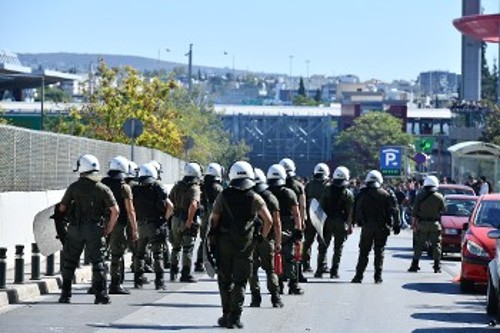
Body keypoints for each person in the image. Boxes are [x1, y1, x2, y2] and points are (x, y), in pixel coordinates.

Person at [210, 161, 273, 328]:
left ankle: (225, 314)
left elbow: (214, 219)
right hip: (246, 245)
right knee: (240, 281)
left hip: (224, 243)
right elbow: (269, 220)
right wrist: (260, 238)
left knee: (225, 280)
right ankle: (235, 317)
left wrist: (212, 239)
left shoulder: (223, 196)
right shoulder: (255, 197)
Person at [57, 154, 119, 304]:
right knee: (98, 263)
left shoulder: (74, 187)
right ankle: (101, 295)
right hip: (95, 230)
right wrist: (109, 228)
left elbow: (62, 208)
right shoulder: (103, 188)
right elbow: (115, 210)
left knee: (69, 261)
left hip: (75, 230)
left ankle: (66, 294)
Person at [351, 170, 400, 284]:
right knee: (379, 252)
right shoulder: (387, 194)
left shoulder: (362, 194)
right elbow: (395, 210)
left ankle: (358, 276)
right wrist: (397, 224)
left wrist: (353, 222)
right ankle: (378, 277)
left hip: (367, 227)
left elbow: (355, 209)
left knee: (364, 252)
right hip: (382, 227)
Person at [101, 156, 139, 294]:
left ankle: (97, 284)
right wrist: (134, 229)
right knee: (117, 254)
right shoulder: (124, 187)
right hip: (118, 223)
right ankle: (115, 284)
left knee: (100, 254)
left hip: (102, 223)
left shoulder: (102, 184)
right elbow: (130, 210)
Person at [132, 163, 173, 290]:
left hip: (140, 224)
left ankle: (138, 281)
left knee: (139, 254)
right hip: (155, 224)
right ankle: (159, 282)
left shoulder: (135, 189)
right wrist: (164, 219)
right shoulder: (158, 188)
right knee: (158, 254)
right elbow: (170, 207)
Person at [248, 168, 283, 308]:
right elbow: (276, 222)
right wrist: (278, 241)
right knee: (271, 270)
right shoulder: (271, 197)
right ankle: (276, 298)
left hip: (251, 238)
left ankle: (255, 299)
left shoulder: (248, 196)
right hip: (267, 239)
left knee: (252, 270)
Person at [267, 164, 304, 295]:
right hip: (288, 227)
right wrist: (299, 230)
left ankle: (280, 284)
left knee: (276, 256)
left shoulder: (267, 193)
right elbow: (297, 213)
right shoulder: (290, 193)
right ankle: (293, 284)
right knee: (290, 257)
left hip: (271, 227)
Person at [316, 166, 354, 279]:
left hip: (327, 221)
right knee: (338, 249)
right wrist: (350, 225)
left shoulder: (326, 190)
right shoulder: (348, 193)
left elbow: (320, 208)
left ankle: (319, 270)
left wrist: (320, 224)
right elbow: (350, 211)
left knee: (323, 247)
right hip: (340, 222)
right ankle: (334, 271)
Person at [168, 162, 202, 282]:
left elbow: (169, 202)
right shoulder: (194, 188)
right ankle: (185, 274)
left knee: (175, 247)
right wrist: (189, 220)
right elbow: (194, 204)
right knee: (188, 247)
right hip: (185, 219)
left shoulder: (177, 186)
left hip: (175, 219)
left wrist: (170, 217)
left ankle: (173, 272)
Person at [408, 175, 445, 273]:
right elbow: (443, 210)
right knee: (436, 245)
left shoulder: (420, 195)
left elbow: (414, 212)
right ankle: (437, 266)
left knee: (419, 245)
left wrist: (414, 225)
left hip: (422, 224)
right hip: (435, 224)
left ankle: (415, 265)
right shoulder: (439, 196)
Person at [279, 158, 307, 283]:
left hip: (278, 220)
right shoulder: (299, 186)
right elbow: (302, 206)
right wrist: (301, 223)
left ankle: (282, 274)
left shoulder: (275, 187)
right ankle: (297, 275)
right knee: (296, 249)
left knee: (280, 248)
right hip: (293, 220)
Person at [195, 162, 224, 272]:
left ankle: (199, 262)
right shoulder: (218, 188)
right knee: (216, 239)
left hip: (203, 217)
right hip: (216, 216)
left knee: (204, 240)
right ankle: (216, 262)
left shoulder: (201, 186)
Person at [302, 163, 330, 273]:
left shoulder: (308, 185)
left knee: (308, 241)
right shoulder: (328, 186)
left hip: (310, 216)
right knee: (323, 242)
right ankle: (321, 265)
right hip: (323, 217)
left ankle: (306, 264)